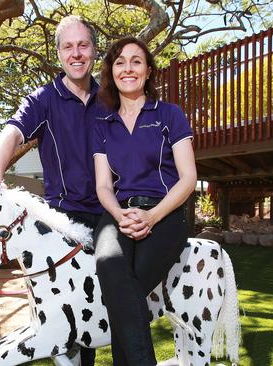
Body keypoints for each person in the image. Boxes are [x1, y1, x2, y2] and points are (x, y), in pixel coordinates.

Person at [0, 15, 102, 365]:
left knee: (116, 305)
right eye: (68, 47)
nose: (76, 53)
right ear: (58, 53)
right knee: (65, 316)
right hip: (64, 220)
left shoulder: (111, 98)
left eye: (83, 45)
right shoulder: (43, 99)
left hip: (110, 214)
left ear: (94, 50)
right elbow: (12, 132)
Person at [92, 37, 197, 365]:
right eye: (120, 62)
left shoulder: (169, 114)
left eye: (136, 61)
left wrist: (151, 217)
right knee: (110, 267)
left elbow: (188, 178)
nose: (128, 68)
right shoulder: (103, 124)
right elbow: (103, 185)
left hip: (166, 212)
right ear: (112, 70)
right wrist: (120, 215)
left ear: (148, 71)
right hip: (119, 212)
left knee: (123, 292)